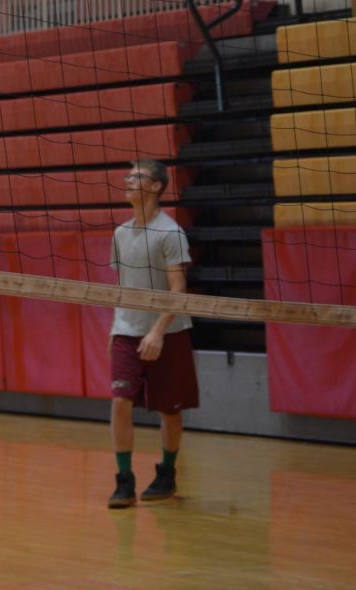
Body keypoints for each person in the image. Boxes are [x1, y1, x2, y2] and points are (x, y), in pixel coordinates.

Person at [107, 158, 199, 509]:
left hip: (169, 332)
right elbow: (122, 288)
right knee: (120, 403)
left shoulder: (170, 232)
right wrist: (114, 329)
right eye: (128, 175)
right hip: (127, 331)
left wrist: (158, 332)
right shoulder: (120, 233)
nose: (128, 180)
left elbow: (178, 290)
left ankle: (167, 473)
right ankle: (124, 480)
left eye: (137, 176)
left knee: (169, 411)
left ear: (157, 186)